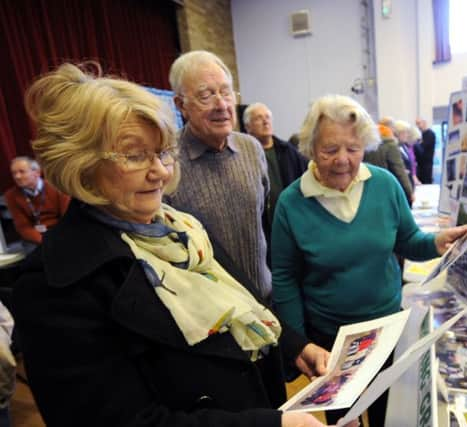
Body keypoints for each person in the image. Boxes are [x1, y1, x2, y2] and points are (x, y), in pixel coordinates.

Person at [12, 63, 348, 427]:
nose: (160, 172)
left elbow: (243, 302)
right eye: (135, 155)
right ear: (82, 164)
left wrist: (296, 347)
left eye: (162, 152)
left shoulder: (181, 227)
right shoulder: (55, 285)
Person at [271, 94, 467, 426]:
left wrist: (436, 242)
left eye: (353, 148)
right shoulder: (292, 204)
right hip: (331, 340)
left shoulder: (384, 184)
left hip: (386, 330)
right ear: (310, 147)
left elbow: (407, 240)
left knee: (386, 414)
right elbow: (285, 278)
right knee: (343, 419)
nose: (343, 160)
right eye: (330, 150)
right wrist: (300, 344)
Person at [167, 50, 271, 299]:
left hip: (266, 299)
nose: (222, 105)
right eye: (206, 95)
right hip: (213, 313)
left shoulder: (251, 148)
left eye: (226, 92)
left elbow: (262, 217)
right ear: (181, 105)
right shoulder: (167, 160)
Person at [243, 102, 307, 237]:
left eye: (267, 117)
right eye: (259, 118)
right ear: (248, 127)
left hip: (291, 223)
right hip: (261, 229)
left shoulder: (288, 151)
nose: (265, 121)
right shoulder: (243, 156)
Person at [3, 156, 70, 251]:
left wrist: (58, 237)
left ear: (37, 173)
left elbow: (67, 217)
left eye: (22, 172)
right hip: (35, 236)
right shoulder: (11, 196)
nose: (17, 176)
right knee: (34, 255)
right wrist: (44, 240)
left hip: (60, 231)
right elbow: (23, 226)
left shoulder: (56, 187)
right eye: (14, 173)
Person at [363, 124, 413, 203]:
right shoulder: (391, 145)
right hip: (388, 190)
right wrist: (409, 191)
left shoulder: (367, 146)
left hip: (368, 190)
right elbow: (399, 171)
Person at [414, 118, 436, 184]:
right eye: (416, 124)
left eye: (419, 123)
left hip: (426, 166)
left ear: (424, 123)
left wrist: (416, 143)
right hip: (419, 166)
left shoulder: (430, 134)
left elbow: (422, 149)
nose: (418, 126)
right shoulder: (420, 135)